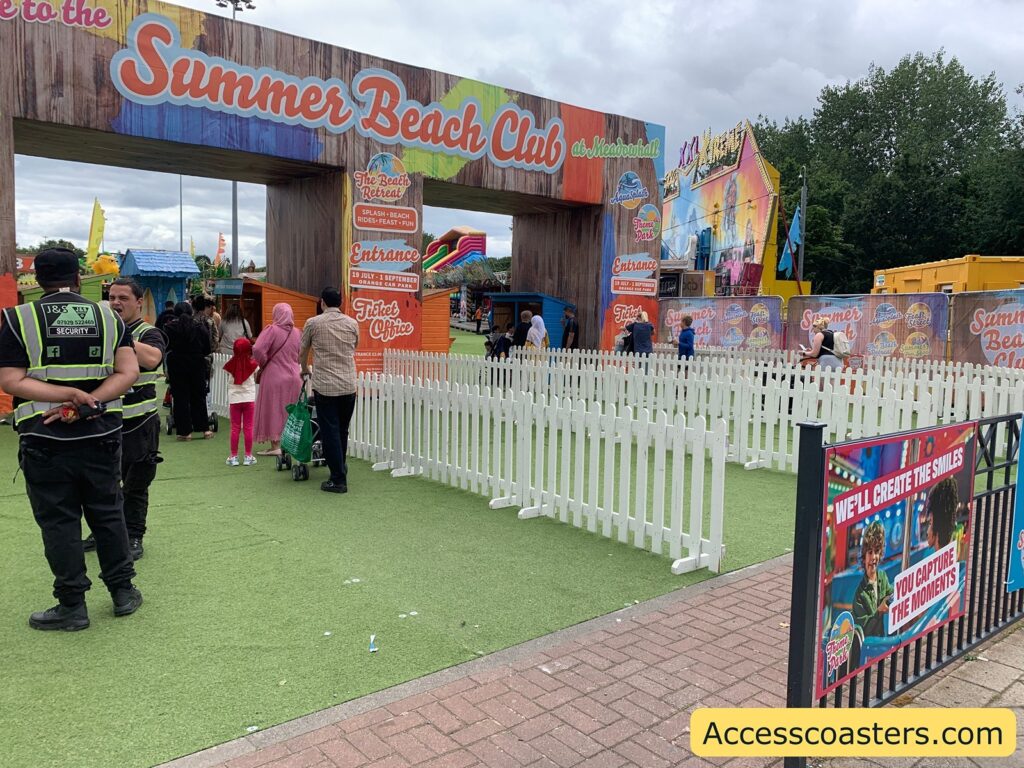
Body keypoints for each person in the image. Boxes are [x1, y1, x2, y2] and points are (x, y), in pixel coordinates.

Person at [0, 248, 142, 630]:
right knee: (108, 512)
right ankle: (123, 593)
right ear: (79, 278)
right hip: (101, 434)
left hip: (45, 439)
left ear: (36, 282)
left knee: (59, 522)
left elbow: (10, 380)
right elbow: (128, 371)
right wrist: (88, 401)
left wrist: (65, 396)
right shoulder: (108, 316)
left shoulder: (18, 319)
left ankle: (72, 606)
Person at [82, 278, 166, 561]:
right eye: (112, 297)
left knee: (136, 484)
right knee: (101, 483)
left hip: (139, 422)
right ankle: (103, 531)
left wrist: (118, 332)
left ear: (139, 303)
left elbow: (153, 359)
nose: (116, 302)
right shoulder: (101, 331)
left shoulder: (148, 331)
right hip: (103, 420)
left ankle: (134, 536)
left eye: (123, 298)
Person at [299, 288, 359, 494]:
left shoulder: (313, 323)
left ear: (322, 302)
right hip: (349, 384)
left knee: (330, 430)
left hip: (325, 385)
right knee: (342, 429)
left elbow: (303, 350)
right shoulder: (352, 324)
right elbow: (354, 347)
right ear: (340, 303)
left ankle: (338, 479)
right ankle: (340, 466)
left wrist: (304, 369)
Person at [253, 303, 303, 456]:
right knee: (291, 411)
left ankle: (275, 446)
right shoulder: (297, 332)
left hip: (274, 375)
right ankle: (290, 444)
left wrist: (264, 362)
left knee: (274, 409)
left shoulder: (272, 330)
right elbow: (300, 353)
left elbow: (257, 349)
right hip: (294, 376)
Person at [164, 302, 213, 440]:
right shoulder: (200, 327)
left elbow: (166, 347)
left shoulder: (169, 327)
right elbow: (207, 349)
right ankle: (204, 428)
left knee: (180, 397)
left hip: (177, 363)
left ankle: (185, 432)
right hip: (197, 363)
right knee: (199, 395)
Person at [223, 337, 259, 467]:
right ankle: (248, 455)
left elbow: (229, 376)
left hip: (235, 399)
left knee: (235, 428)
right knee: (248, 427)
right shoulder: (253, 364)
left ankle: (234, 457)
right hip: (249, 398)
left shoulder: (230, 364)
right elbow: (256, 374)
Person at [853, 521, 893, 637]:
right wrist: (879, 611)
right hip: (869, 648)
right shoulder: (859, 595)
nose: (874, 557)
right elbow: (863, 631)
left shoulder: (883, 577)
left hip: (882, 642)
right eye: (870, 552)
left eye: (877, 551)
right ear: (864, 557)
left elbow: (891, 593)